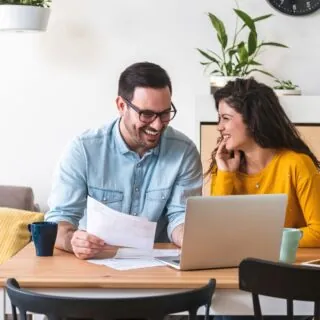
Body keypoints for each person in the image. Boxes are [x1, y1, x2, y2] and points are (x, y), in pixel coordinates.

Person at [45, 61, 202, 259]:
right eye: (146, 114)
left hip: (158, 269)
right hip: (94, 265)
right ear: (121, 106)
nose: (157, 125)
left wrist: (189, 237)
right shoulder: (83, 150)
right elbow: (59, 220)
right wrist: (72, 241)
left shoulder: (184, 152)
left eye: (164, 114)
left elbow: (180, 216)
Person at [208, 77, 320, 248]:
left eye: (226, 118)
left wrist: (262, 242)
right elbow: (214, 233)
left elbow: (318, 232)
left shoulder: (297, 164)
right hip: (236, 265)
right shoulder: (224, 166)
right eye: (219, 118)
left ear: (252, 120)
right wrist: (226, 175)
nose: (219, 127)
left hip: (287, 268)